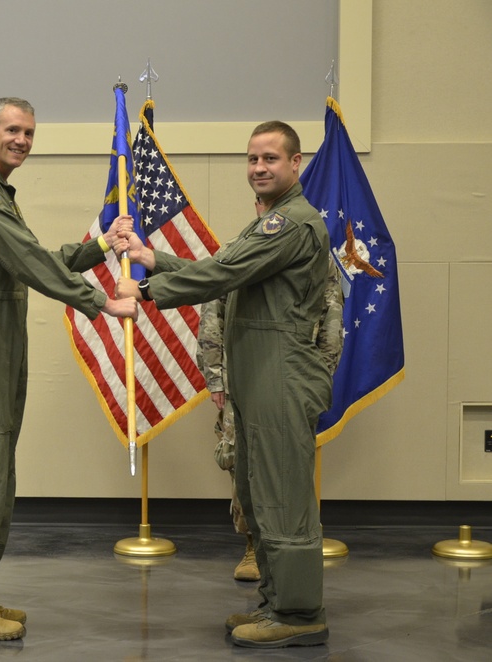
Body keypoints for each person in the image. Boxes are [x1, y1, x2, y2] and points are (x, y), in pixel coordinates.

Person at [116, 121, 334, 648]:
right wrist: (155, 259)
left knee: (283, 495)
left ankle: (300, 612)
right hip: (259, 374)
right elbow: (226, 271)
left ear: (295, 164)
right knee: (259, 492)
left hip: (281, 374)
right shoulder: (271, 224)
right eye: (253, 159)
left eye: (271, 159)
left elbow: (221, 274)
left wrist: (145, 289)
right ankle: (277, 601)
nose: (259, 168)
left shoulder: (293, 224)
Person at [0, 97, 139, 642]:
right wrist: (97, 303)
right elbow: (25, 258)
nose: (22, 140)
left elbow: (26, 256)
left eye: (29, 132)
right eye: (13, 130)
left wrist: (98, 246)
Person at [198, 223, 345, 585]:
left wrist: (319, 377)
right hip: (241, 375)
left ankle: (292, 551)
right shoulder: (236, 250)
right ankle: (253, 544)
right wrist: (215, 375)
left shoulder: (315, 256)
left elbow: (332, 316)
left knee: (286, 459)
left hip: (290, 374)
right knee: (240, 461)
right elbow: (212, 312)